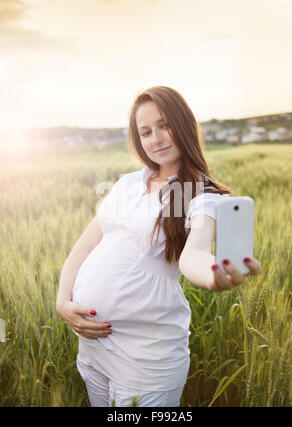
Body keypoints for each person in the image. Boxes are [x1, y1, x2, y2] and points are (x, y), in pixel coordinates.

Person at [56, 86, 263, 407]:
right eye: (146, 131)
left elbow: (193, 254)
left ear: (183, 124)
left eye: (165, 125)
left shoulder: (197, 193)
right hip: (94, 349)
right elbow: (84, 246)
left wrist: (213, 274)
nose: (156, 138)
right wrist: (61, 301)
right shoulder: (128, 183)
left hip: (145, 358)